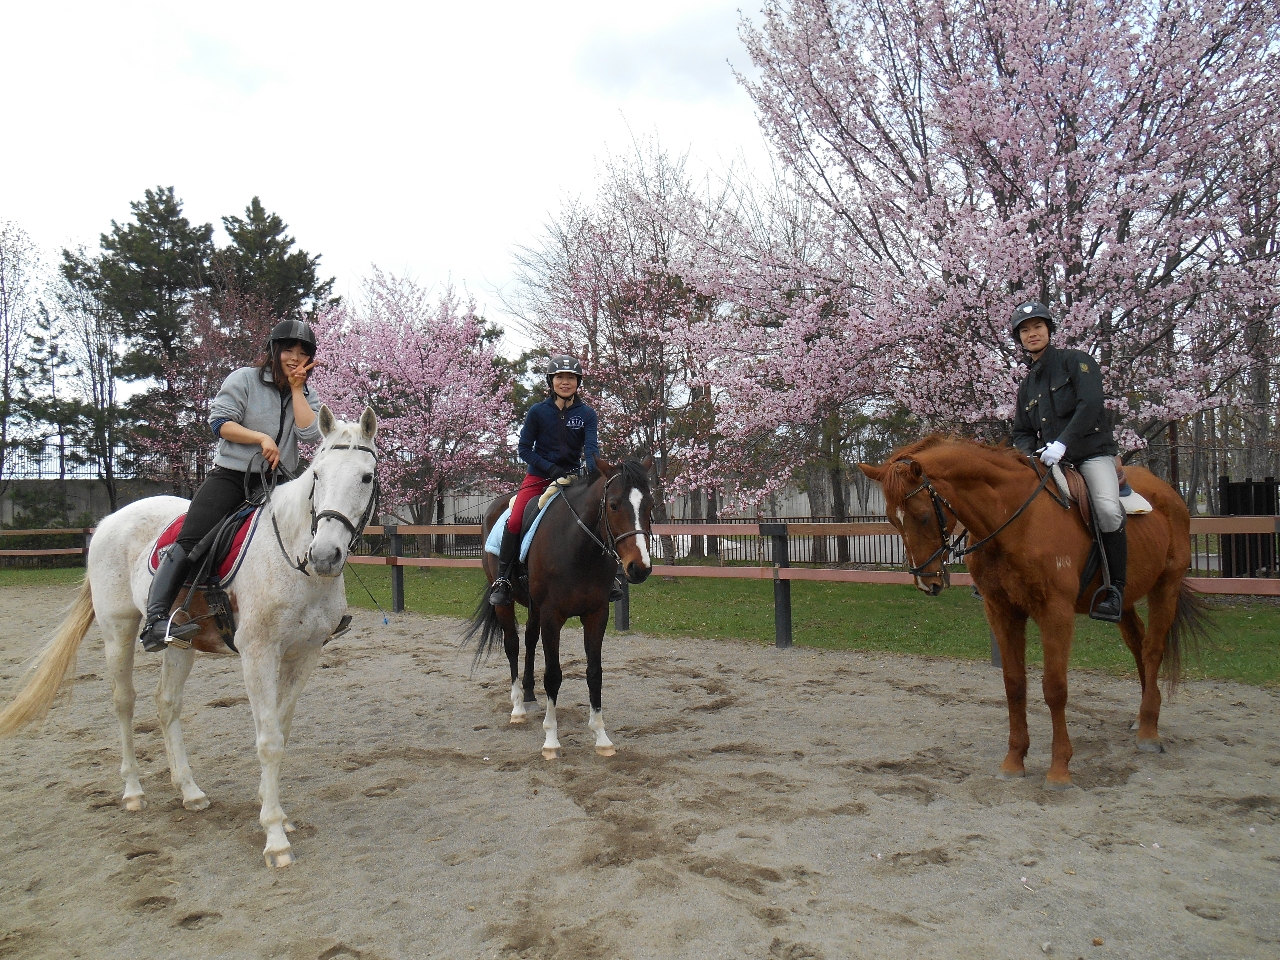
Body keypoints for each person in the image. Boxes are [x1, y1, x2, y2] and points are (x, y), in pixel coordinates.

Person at [138, 319, 324, 651]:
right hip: (232, 476)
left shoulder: (306, 393)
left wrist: (297, 390)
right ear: (274, 350)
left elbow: (311, 434)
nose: (295, 358)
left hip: (278, 482)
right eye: (289, 350)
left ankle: (316, 613)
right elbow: (220, 423)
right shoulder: (244, 379)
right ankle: (155, 622)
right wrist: (260, 437)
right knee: (192, 538)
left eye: (302, 353)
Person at [1009, 301, 1126, 622]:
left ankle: (1116, 588)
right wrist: (1030, 453)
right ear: (1019, 339)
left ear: (1049, 330)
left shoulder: (1076, 362)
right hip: (1050, 462)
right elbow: (1020, 430)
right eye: (1025, 330)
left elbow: (1090, 405)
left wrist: (1062, 443)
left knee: (1105, 508)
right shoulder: (1027, 385)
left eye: (1037, 327)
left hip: (1091, 454)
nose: (1032, 334)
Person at [489, 355, 621, 607]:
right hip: (539, 476)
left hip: (573, 479)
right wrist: (550, 468)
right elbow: (525, 449)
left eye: (571, 378)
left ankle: (609, 577)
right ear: (551, 381)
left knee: (598, 515)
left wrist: (595, 474)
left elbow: (591, 449)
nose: (565, 382)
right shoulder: (538, 412)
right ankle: (504, 580)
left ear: (577, 382)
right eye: (560, 377)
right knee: (516, 517)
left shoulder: (586, 414)